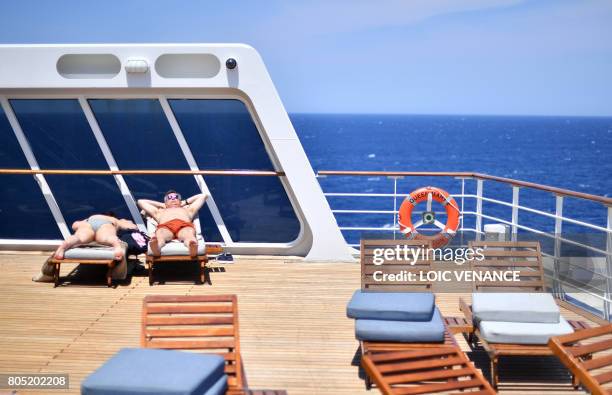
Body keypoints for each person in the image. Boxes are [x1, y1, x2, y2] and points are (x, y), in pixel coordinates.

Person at [137, 191, 208, 257]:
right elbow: (140, 202)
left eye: (176, 197)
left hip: (184, 226)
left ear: (180, 201)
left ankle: (192, 246)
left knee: (188, 234)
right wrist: (162, 205)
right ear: (165, 202)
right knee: (160, 234)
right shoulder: (159, 212)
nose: (173, 199)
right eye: (169, 198)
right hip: (165, 226)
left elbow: (203, 196)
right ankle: (156, 248)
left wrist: (185, 202)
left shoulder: (188, 210)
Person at [53, 212, 138, 260]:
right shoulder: (114, 219)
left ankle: (62, 248)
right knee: (107, 237)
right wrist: (125, 223)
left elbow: (74, 225)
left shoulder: (92, 216)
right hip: (106, 224)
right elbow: (132, 227)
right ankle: (116, 246)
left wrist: (80, 226)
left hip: (88, 223)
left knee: (78, 237)